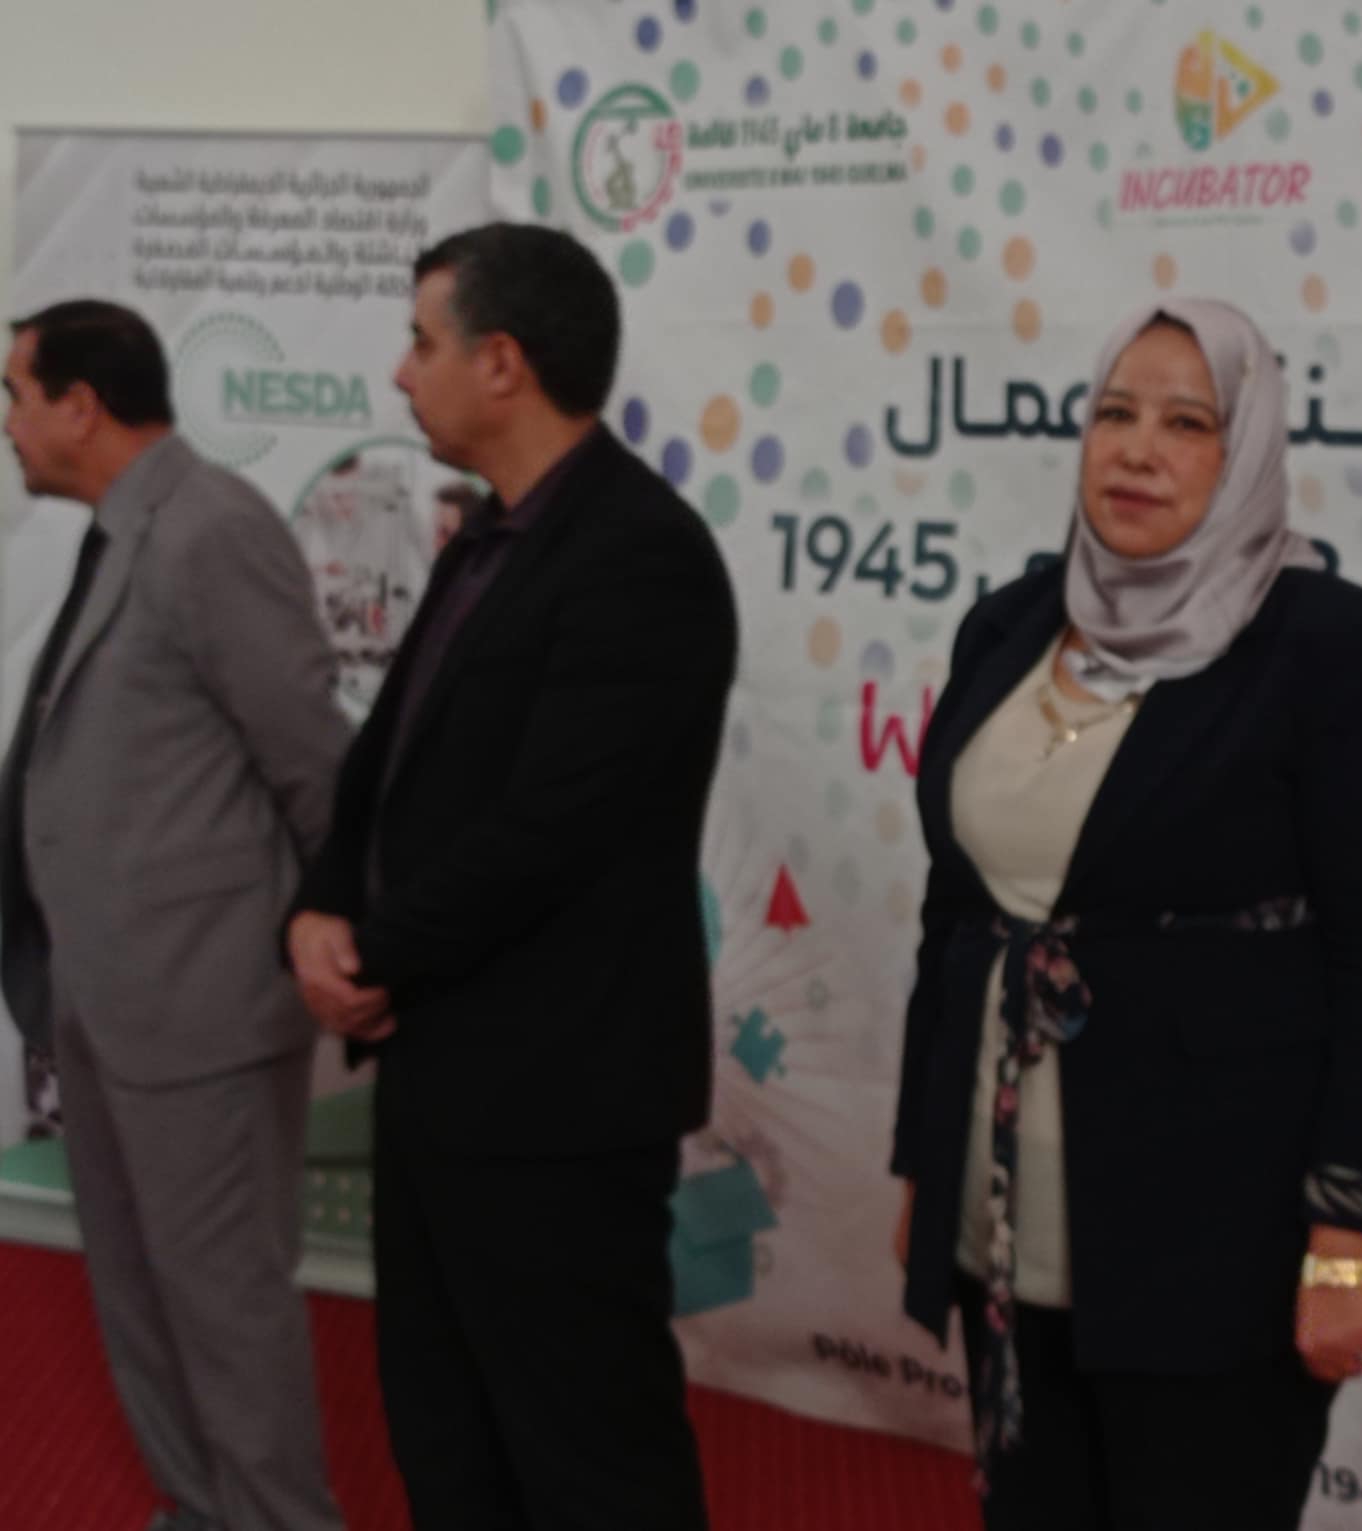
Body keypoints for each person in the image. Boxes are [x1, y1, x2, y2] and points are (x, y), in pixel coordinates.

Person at [889, 298, 1362, 1530]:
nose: (1137, 450)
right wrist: (922, 1161)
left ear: (1244, 452)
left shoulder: (1327, 648)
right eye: (1114, 413)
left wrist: (1347, 1239)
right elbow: (954, 912)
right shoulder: (1010, 624)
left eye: (1187, 424)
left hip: (1216, 1242)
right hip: (1003, 1214)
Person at [286, 223, 736, 1531]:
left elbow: (552, 830)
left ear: (501, 361)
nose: (398, 371)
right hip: (443, 1074)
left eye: (419, 341)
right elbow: (387, 766)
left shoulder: (640, 552)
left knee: (589, 1456)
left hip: (558, 1098)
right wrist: (316, 905)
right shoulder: (488, 536)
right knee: (448, 1436)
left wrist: (370, 955)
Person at [0, 300, 351, 1531]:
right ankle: (198, 1511)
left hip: (202, 1005)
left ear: (80, 405)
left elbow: (314, 765)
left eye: (16, 397)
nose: (8, 425)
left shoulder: (211, 527)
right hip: (103, 995)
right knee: (139, 1292)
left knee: (224, 1307)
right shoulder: (123, 530)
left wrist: (335, 936)